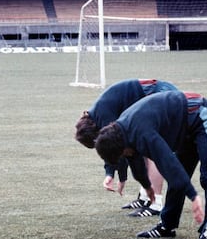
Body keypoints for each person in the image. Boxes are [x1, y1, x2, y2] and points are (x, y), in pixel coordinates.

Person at [94, 90, 207, 239]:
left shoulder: (141, 132)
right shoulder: (123, 132)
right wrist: (148, 188)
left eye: (123, 154)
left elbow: (167, 162)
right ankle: (167, 225)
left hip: (202, 115)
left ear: (122, 148)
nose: (126, 156)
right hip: (185, 129)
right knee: (176, 178)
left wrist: (193, 196)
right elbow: (135, 161)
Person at [75, 79, 177, 216]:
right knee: (140, 146)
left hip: (162, 94)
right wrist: (111, 174)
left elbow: (118, 147)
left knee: (150, 150)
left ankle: (156, 204)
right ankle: (145, 198)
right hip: (157, 93)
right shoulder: (98, 116)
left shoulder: (104, 115)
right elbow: (119, 149)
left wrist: (121, 178)